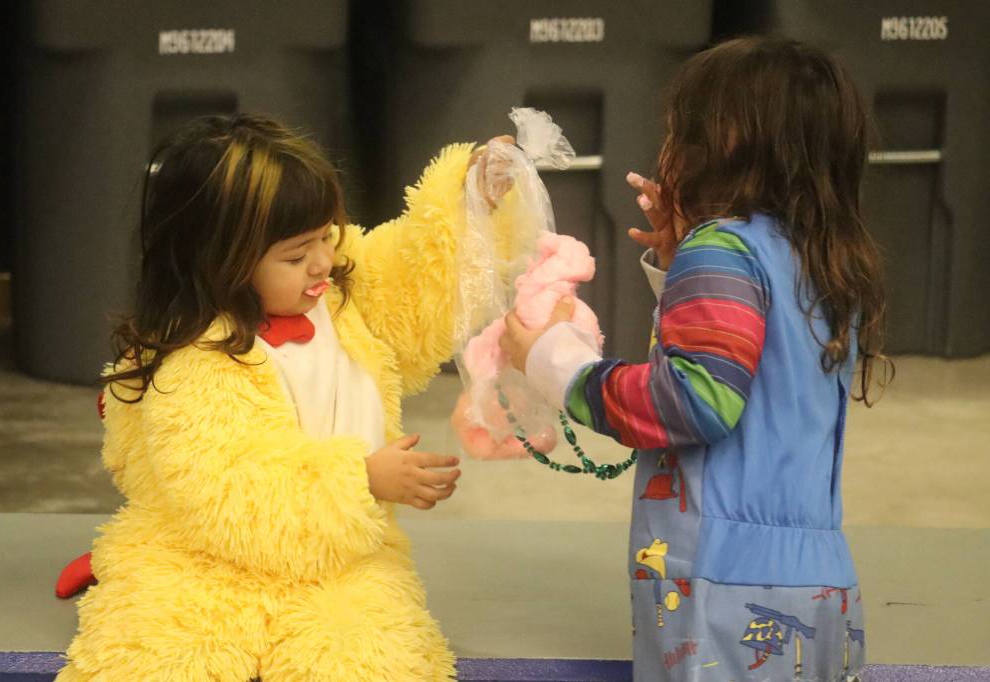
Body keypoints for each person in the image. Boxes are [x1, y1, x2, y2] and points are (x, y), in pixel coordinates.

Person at [56, 113, 512, 681]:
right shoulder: (196, 360)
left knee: (369, 662)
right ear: (221, 263)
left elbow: (413, 278)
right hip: (199, 563)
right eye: (296, 255)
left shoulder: (338, 287)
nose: (322, 260)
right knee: (157, 659)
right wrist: (358, 481)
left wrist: (470, 209)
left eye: (326, 235)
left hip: (337, 563)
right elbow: (227, 490)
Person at [500, 37, 892, 682]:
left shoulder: (723, 251)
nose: (667, 147)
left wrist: (553, 360)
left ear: (723, 143)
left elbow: (695, 400)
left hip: (724, 585)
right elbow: (758, 363)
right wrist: (683, 259)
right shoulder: (816, 258)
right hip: (822, 585)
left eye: (680, 130)